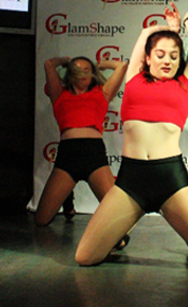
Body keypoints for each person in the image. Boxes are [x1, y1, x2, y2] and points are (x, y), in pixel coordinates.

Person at [75, 0, 188, 269]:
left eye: (173, 56)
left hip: (170, 178)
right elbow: (146, 33)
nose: (167, 60)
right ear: (147, 58)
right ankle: (119, 236)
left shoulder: (187, 82)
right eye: (160, 55)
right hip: (131, 179)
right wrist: (171, 27)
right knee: (85, 258)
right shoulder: (134, 77)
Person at [33, 56, 127, 227]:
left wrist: (102, 65)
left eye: (87, 70)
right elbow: (48, 64)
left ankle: (68, 197)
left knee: (118, 217)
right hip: (68, 155)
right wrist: (65, 61)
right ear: (70, 74)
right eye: (77, 70)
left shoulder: (102, 93)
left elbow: (121, 66)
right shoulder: (59, 94)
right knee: (41, 220)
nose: (82, 74)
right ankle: (67, 198)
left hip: (94, 155)